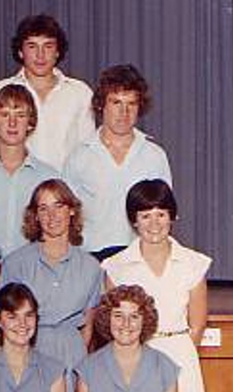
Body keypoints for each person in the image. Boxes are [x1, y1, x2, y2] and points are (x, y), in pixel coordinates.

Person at [102, 180, 210, 392]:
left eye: (161, 214)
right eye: (145, 216)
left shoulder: (193, 264)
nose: (154, 224)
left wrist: (174, 357)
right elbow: (113, 324)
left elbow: (198, 324)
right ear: (133, 221)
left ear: (173, 217)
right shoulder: (116, 267)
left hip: (179, 360)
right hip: (135, 360)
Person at [0, 178, 102, 392]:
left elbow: (88, 323)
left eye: (59, 206)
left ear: (72, 211)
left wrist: (72, 355)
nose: (52, 216)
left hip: (70, 353)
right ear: (35, 216)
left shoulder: (91, 266)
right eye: (43, 208)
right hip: (27, 349)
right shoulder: (17, 262)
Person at [63, 64, 173, 259]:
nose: (124, 112)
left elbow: (165, 214)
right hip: (91, 257)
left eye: (131, 104)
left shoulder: (155, 155)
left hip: (140, 256)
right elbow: (67, 214)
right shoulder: (79, 157)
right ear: (101, 105)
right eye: (116, 103)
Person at [0, 14, 94, 172]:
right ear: (21, 51)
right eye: (32, 46)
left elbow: (87, 151)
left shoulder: (80, 92)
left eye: (48, 46)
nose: (40, 55)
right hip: (14, 185)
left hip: (65, 190)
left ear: (57, 51)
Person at [0, 85, 60, 255]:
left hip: (32, 274)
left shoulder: (48, 178)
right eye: (4, 115)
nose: (12, 123)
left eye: (20, 115)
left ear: (31, 123)